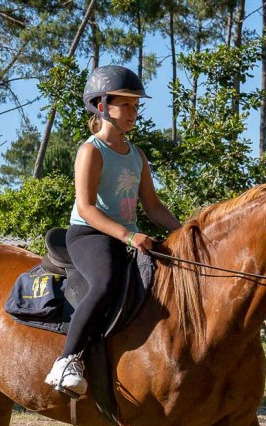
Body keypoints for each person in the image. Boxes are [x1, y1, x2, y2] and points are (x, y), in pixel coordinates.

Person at [44, 66, 182, 397]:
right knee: (104, 283)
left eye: (137, 106)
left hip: (125, 238)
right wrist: (129, 236)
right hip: (89, 235)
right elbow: (87, 207)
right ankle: (66, 361)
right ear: (102, 106)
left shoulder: (137, 155)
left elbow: (153, 207)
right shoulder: (91, 150)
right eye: (127, 105)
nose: (134, 113)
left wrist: (187, 232)